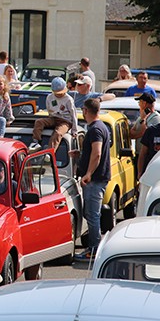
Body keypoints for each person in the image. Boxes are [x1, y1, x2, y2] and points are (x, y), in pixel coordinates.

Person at [72, 98, 111, 262]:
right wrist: (79, 155)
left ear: (86, 111)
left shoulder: (95, 129)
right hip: (96, 178)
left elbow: (97, 153)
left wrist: (88, 173)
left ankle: (95, 250)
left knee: (93, 215)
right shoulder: (100, 127)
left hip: (95, 179)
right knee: (92, 214)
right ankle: (93, 248)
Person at [31, 77, 78, 152]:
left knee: (58, 133)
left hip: (65, 121)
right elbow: (50, 111)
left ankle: (50, 152)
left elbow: (74, 114)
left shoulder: (68, 99)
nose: (59, 95)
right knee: (39, 122)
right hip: (53, 118)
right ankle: (36, 142)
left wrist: (74, 130)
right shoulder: (49, 97)